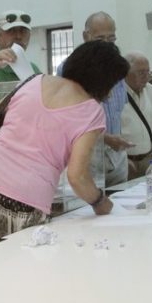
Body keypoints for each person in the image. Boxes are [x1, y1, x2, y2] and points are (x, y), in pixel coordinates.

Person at [0, 41, 128, 267]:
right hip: (22, 199)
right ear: (104, 80)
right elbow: (77, 176)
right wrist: (100, 202)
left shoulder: (32, 81)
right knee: (9, 276)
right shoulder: (91, 111)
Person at [59, 12, 129, 187]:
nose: (106, 45)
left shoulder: (117, 69)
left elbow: (119, 109)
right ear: (86, 36)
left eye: (111, 39)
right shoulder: (71, 69)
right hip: (87, 150)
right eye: (100, 39)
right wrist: (105, 138)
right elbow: (70, 121)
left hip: (116, 152)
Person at [120, 52, 152, 178]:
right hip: (125, 161)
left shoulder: (150, 90)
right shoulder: (116, 92)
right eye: (140, 72)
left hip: (148, 160)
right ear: (126, 72)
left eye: (148, 72)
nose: (146, 76)